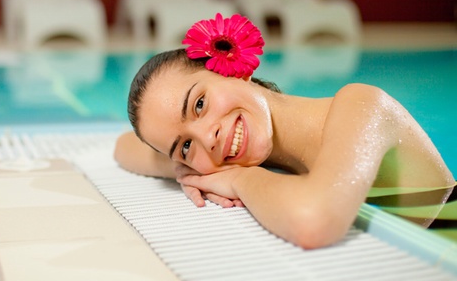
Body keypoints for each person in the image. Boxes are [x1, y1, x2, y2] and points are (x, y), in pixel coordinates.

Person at [113, 13, 455, 249]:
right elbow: (123, 147)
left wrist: (238, 180)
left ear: (233, 68)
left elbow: (314, 223)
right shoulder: (241, 149)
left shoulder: (363, 106)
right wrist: (187, 168)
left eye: (199, 104)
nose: (207, 138)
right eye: (186, 146)